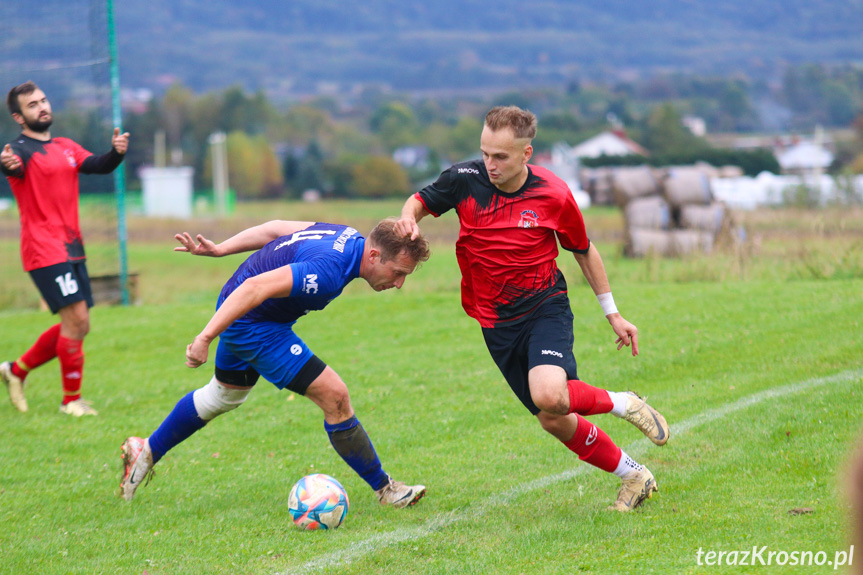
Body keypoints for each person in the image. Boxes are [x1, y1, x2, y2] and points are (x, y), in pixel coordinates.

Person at [395, 105, 670, 512]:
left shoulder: (554, 195)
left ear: (527, 154)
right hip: (493, 320)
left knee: (549, 394)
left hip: (544, 307)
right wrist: (408, 218)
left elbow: (583, 251)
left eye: (500, 157)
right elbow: (418, 200)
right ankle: (634, 475)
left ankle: (623, 402)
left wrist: (613, 313)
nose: (489, 164)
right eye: (485, 153)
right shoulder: (464, 180)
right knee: (552, 417)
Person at [119, 218, 430, 509]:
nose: (399, 283)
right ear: (374, 256)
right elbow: (255, 288)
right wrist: (205, 337)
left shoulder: (347, 236)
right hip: (252, 321)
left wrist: (221, 248)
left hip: (239, 306)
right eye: (398, 272)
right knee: (335, 396)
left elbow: (276, 229)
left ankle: (144, 451)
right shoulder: (329, 270)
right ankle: (385, 489)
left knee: (223, 396)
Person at [0, 81, 129, 416]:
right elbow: (10, 166)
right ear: (19, 116)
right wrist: (7, 165)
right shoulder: (18, 151)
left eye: (43, 101)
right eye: (32, 105)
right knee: (77, 320)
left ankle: (15, 371)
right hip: (43, 249)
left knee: (79, 324)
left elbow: (98, 165)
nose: (42, 107)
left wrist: (116, 151)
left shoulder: (66, 146)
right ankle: (70, 401)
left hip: (72, 247)